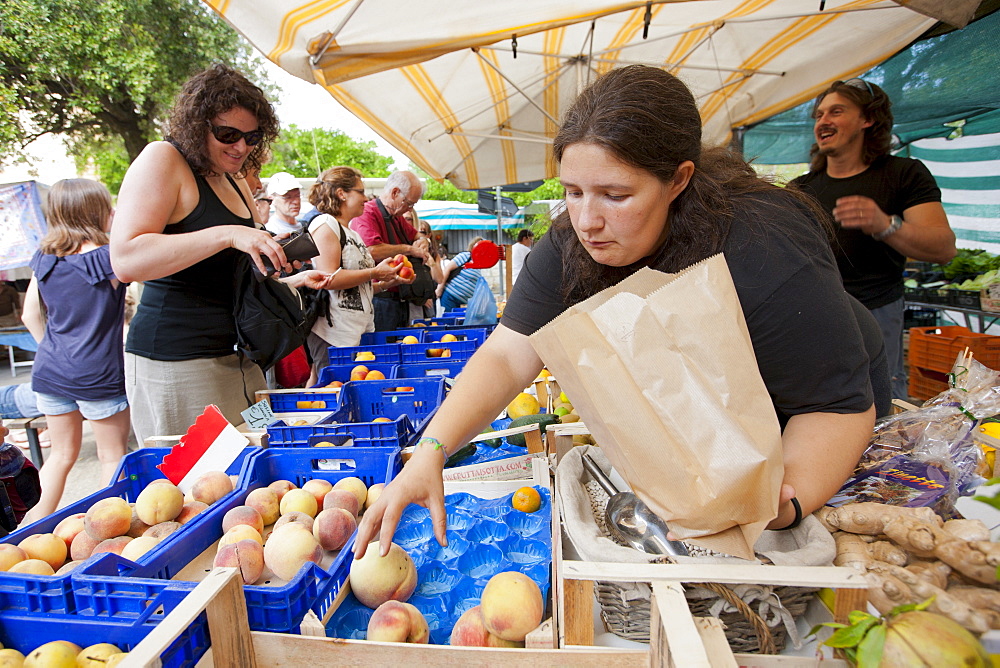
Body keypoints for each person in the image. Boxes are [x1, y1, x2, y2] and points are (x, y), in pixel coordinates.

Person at [356, 65, 891, 558]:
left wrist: (780, 503)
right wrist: (430, 448)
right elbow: (508, 354)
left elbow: (838, 405)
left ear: (678, 180)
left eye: (615, 195)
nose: (587, 221)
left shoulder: (763, 249)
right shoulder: (570, 246)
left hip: (808, 416)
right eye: (573, 191)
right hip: (709, 423)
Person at [111, 64, 334, 445]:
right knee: (197, 483)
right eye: (228, 134)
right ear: (197, 125)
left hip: (243, 361)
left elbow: (234, 268)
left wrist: (288, 272)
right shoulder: (163, 158)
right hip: (179, 362)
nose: (241, 147)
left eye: (252, 137)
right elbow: (126, 259)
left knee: (256, 450)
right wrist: (228, 234)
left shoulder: (233, 176)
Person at [789, 79, 956, 400]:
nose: (823, 121)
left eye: (836, 111)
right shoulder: (801, 189)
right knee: (814, 398)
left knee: (880, 398)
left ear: (868, 120)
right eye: (819, 115)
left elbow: (943, 248)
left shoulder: (904, 174)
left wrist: (885, 225)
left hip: (877, 311)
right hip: (814, 312)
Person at [20, 178, 130, 520]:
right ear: (95, 213)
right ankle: (102, 534)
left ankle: (25, 534)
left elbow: (29, 315)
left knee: (61, 456)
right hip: (98, 374)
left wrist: (54, 352)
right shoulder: (108, 259)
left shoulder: (44, 259)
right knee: (112, 457)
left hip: (50, 371)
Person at [305, 166, 408, 382]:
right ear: (342, 193)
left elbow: (357, 287)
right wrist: (374, 272)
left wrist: (387, 281)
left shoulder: (351, 232)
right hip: (334, 337)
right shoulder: (325, 224)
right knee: (334, 394)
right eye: (360, 191)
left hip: (356, 334)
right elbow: (327, 278)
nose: (366, 197)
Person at [350, 171, 432, 330]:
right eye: (409, 203)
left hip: (399, 296)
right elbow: (371, 250)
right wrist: (409, 249)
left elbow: (415, 234)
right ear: (395, 193)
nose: (410, 208)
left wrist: (423, 240)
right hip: (381, 298)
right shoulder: (368, 213)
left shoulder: (395, 215)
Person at [404, 209, 444, 319]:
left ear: (428, 235)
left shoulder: (433, 254)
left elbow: (439, 279)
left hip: (429, 297)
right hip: (414, 299)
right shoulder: (407, 249)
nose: (419, 236)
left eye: (422, 233)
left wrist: (429, 259)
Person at [437, 238, 485, 311]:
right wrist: (439, 288)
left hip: (463, 303)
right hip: (450, 297)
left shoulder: (480, 263)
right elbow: (447, 269)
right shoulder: (466, 256)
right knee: (448, 321)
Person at [264, 172, 303, 236]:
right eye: (287, 197)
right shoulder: (271, 231)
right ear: (272, 199)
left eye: (297, 196)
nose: (296, 202)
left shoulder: (306, 225)